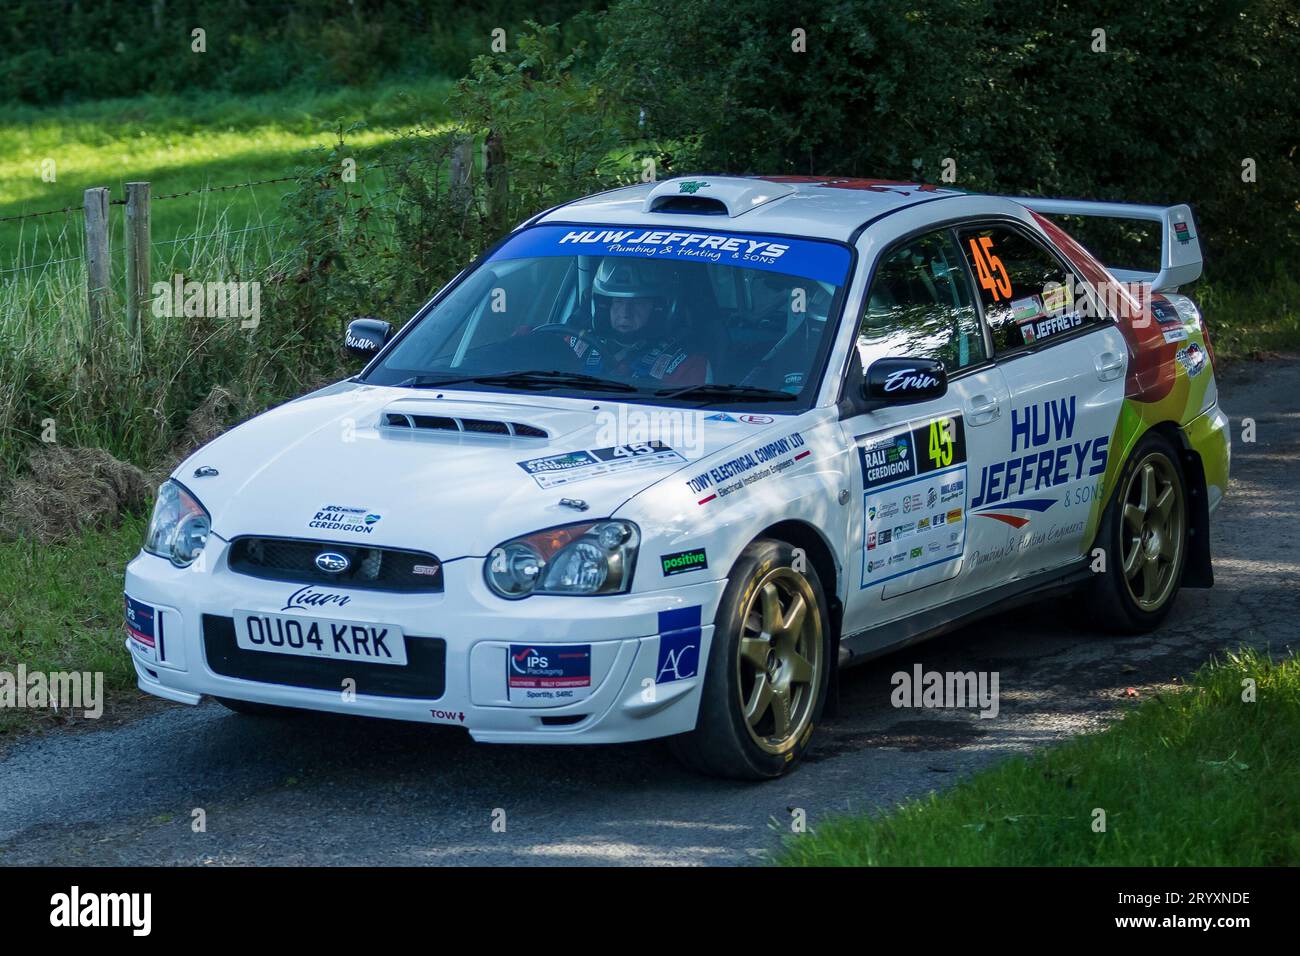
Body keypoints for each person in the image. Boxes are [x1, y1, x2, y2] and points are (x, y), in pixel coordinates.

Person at [561, 258, 710, 387]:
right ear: (604, 306)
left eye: (638, 302)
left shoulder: (685, 363)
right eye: (618, 301)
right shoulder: (574, 346)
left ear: (658, 308)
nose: (625, 313)